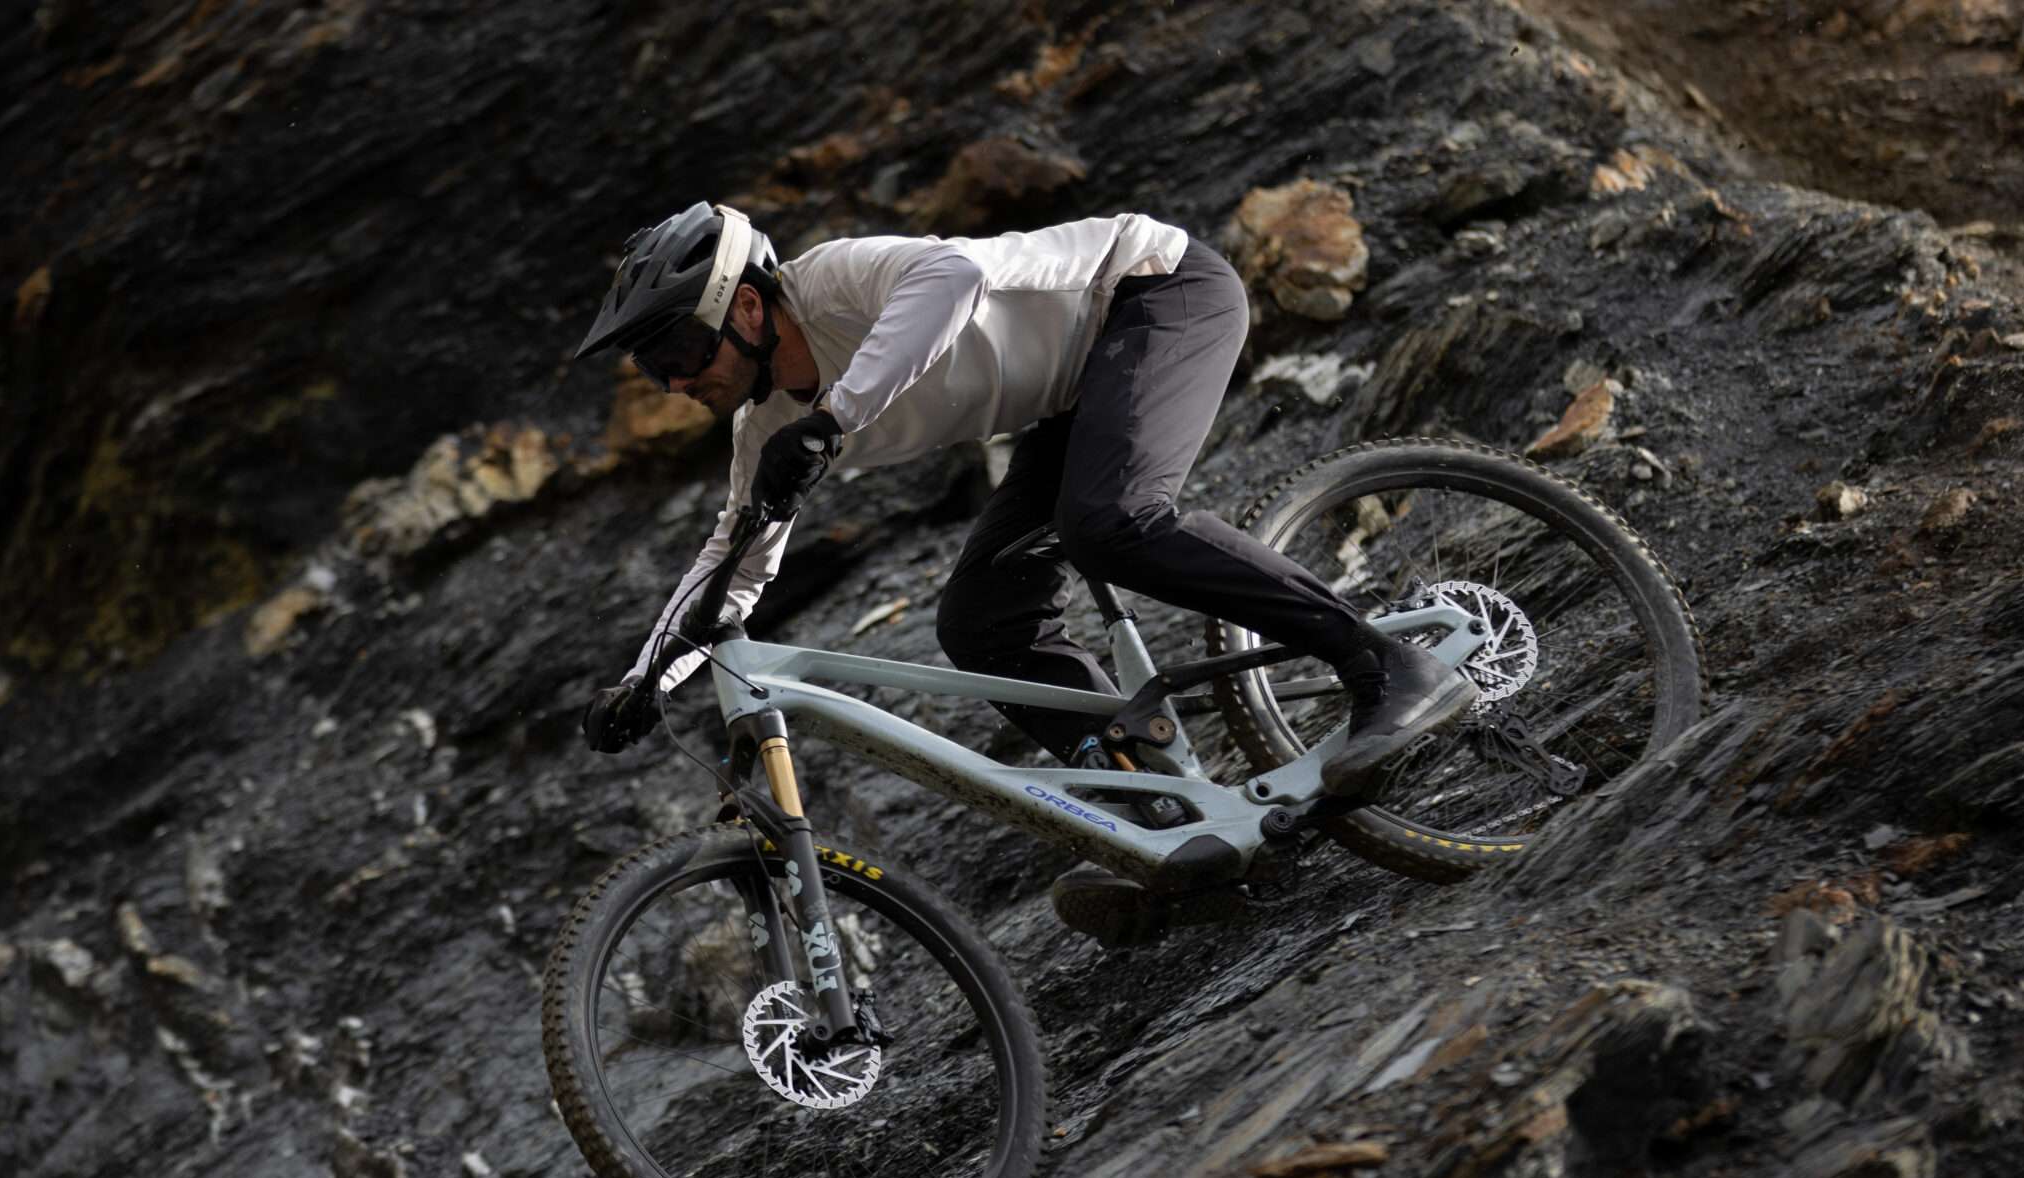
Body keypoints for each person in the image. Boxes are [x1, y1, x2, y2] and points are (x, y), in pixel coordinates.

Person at [571, 201, 1474, 936]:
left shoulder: (834, 281)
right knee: (980, 621)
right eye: (657, 371)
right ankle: (1165, 816)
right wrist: (648, 675)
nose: (677, 382)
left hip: (1156, 295)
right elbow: (731, 566)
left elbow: (953, 275)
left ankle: (1390, 666)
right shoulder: (765, 429)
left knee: (1111, 523)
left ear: (751, 307)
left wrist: (836, 418)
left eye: (681, 353)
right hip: (1072, 399)